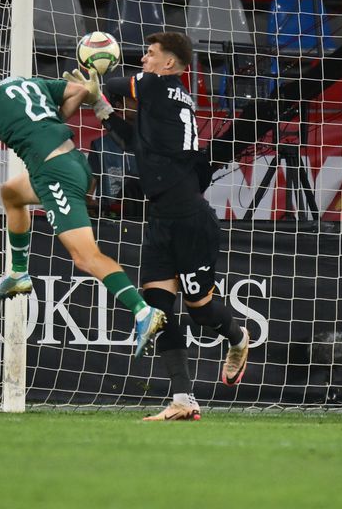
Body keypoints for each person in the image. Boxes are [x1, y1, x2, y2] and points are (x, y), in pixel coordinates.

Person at [0, 66, 166, 356]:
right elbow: (78, 90)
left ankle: (143, 312)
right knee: (11, 193)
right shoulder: (29, 84)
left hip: (54, 173)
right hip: (73, 162)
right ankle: (18, 273)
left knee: (85, 256)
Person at [65, 32, 250, 421]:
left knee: (200, 311)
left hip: (189, 219)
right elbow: (135, 143)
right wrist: (100, 105)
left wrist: (95, 75)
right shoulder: (162, 98)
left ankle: (237, 336)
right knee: (157, 310)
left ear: (170, 63)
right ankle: (183, 399)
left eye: (149, 55)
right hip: (161, 218)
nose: (143, 61)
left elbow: (116, 83)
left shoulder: (161, 84)